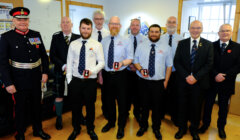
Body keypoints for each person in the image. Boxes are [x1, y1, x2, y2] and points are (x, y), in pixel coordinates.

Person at [0, 7, 51, 140]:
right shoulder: (6, 37)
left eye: (25, 19)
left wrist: (45, 72)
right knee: (20, 109)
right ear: (14, 21)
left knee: (37, 107)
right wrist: (8, 83)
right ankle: (20, 134)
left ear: (28, 20)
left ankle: (37, 130)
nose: (23, 22)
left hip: (35, 79)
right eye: (19, 19)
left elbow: (44, 57)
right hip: (18, 81)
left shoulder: (36, 34)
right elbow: (2, 63)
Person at [198, 24, 240, 139]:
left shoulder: (237, 47)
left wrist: (224, 76)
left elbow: (238, 66)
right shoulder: (211, 46)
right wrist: (216, 74)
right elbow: (207, 63)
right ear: (218, 33)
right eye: (222, 31)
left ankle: (221, 128)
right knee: (208, 105)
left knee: (223, 107)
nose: (225, 33)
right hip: (211, 81)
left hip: (227, 83)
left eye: (227, 31)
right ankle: (205, 125)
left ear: (231, 32)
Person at [174, 20, 213, 140]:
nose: (195, 30)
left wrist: (195, 77)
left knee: (196, 107)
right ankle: (182, 128)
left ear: (201, 29)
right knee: (182, 106)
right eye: (193, 28)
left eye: (198, 28)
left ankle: (194, 130)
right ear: (189, 29)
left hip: (199, 83)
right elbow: (177, 61)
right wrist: (187, 76)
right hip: (183, 81)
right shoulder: (182, 43)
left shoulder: (208, 44)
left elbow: (209, 64)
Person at [66, 18, 104, 140]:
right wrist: (69, 81)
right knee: (75, 107)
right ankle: (76, 129)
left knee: (90, 106)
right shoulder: (73, 44)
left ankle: (90, 129)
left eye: (88, 28)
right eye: (83, 28)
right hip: (76, 81)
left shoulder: (97, 45)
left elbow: (102, 62)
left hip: (90, 82)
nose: (86, 31)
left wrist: (92, 71)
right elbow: (69, 62)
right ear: (79, 28)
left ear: (91, 29)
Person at [134, 24, 172, 140]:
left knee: (157, 107)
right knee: (144, 106)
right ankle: (143, 126)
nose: (154, 34)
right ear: (148, 32)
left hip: (158, 83)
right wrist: (140, 69)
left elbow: (169, 66)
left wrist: (166, 81)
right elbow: (136, 61)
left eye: (156, 32)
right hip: (144, 82)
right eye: (152, 31)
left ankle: (156, 128)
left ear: (160, 33)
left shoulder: (166, 47)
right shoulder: (141, 46)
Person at [50, 17, 86, 130]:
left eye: (68, 22)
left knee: (77, 96)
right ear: (60, 25)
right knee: (59, 96)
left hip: (75, 72)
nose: (65, 24)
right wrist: (64, 65)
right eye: (63, 23)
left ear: (72, 24)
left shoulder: (78, 37)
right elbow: (52, 55)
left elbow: (82, 55)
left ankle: (79, 116)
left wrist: (72, 66)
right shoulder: (55, 37)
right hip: (59, 72)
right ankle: (59, 118)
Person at [101, 16, 133, 139]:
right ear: (108, 25)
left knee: (122, 101)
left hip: (121, 75)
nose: (114, 26)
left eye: (117, 24)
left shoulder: (126, 40)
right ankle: (111, 122)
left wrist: (122, 63)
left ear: (120, 26)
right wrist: (100, 75)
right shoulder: (103, 41)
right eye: (112, 24)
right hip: (107, 75)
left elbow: (130, 57)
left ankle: (121, 126)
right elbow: (101, 59)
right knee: (109, 100)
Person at [160, 16, 183, 123]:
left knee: (174, 95)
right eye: (169, 22)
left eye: (174, 22)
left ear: (177, 25)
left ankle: (174, 116)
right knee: (161, 94)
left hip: (175, 73)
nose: (171, 24)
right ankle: (160, 114)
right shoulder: (160, 38)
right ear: (166, 24)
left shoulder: (181, 40)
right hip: (161, 72)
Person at [126, 18, 146, 122]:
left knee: (139, 94)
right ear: (130, 26)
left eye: (137, 25)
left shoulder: (145, 39)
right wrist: (130, 65)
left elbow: (145, 56)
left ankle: (137, 113)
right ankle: (126, 112)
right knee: (126, 94)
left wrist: (137, 66)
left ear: (140, 27)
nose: (134, 27)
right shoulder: (124, 39)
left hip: (139, 72)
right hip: (127, 71)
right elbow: (122, 55)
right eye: (132, 25)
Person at [91, 10, 110, 120]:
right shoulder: (89, 33)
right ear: (94, 20)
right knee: (91, 93)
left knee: (106, 92)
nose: (99, 21)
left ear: (103, 20)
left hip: (105, 67)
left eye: (101, 19)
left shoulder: (108, 33)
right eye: (97, 19)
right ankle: (90, 114)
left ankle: (106, 111)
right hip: (92, 67)